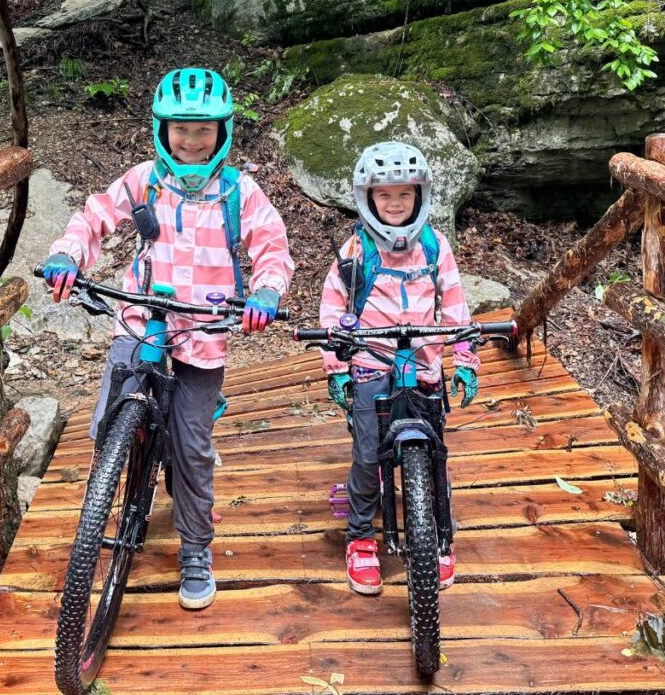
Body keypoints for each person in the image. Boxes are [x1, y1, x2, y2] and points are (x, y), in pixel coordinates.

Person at [43, 68, 294, 609]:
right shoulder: (145, 179)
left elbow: (272, 246)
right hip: (140, 318)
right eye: (181, 128)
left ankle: (196, 547)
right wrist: (68, 253)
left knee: (192, 447)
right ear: (162, 128)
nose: (192, 140)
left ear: (223, 132)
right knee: (110, 423)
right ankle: (106, 503)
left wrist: (267, 292)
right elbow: (95, 215)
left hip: (204, 330)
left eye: (204, 130)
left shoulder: (238, 191)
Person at [318, 141, 480, 595]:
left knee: (434, 454)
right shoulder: (354, 250)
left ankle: (439, 534)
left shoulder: (433, 246)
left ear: (420, 195)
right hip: (372, 363)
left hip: (423, 365)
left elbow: (455, 305)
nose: (394, 203)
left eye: (404, 194)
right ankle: (360, 538)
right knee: (369, 455)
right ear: (368, 198)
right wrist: (337, 367)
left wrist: (464, 357)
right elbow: (331, 312)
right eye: (384, 195)